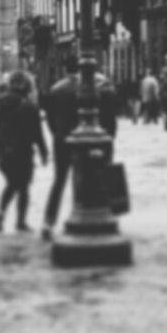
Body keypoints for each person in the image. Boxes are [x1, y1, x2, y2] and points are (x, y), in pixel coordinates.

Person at [41, 66, 121, 239]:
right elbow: (110, 117)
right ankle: (104, 214)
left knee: (59, 180)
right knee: (100, 178)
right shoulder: (100, 87)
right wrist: (109, 137)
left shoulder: (57, 89)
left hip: (62, 140)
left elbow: (50, 118)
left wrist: (58, 134)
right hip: (96, 139)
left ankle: (48, 221)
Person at [0, 70, 48, 233]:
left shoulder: (1, 103)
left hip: (5, 152)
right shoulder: (30, 106)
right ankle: (20, 222)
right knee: (22, 187)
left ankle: (1, 214)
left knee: (13, 184)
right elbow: (37, 133)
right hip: (23, 151)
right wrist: (44, 152)